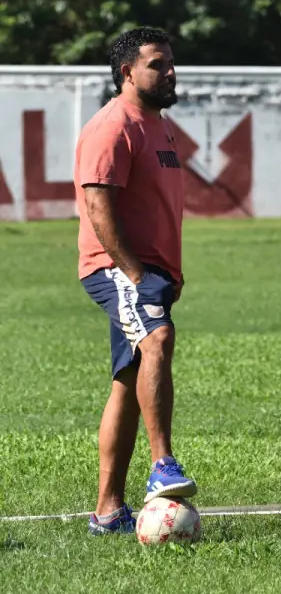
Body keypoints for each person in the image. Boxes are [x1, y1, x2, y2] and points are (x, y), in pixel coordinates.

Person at [74, 27, 196, 536]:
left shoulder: (158, 125)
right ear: (127, 72)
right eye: (157, 64)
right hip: (117, 267)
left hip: (152, 272)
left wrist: (167, 274)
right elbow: (98, 207)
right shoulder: (112, 126)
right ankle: (162, 465)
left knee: (128, 380)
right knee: (158, 339)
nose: (170, 71)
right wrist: (138, 275)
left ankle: (107, 512)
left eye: (171, 62)